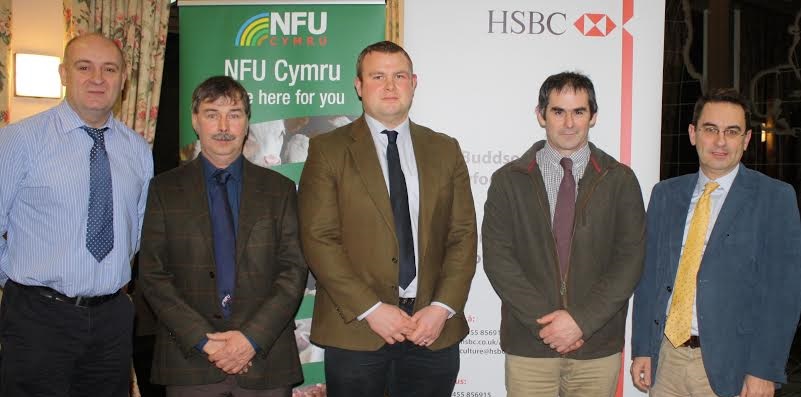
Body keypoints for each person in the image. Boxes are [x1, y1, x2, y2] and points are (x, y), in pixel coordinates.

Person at [297, 40, 477, 397]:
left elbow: (463, 235)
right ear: (359, 86)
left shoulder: (445, 149)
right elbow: (318, 238)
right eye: (378, 76)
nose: (390, 86)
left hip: (433, 331)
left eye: (399, 76)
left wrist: (441, 308)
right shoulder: (327, 150)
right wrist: (372, 309)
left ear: (414, 82)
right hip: (357, 331)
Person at [0, 33, 153, 396]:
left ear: (124, 78)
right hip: (37, 318)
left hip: (113, 319)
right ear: (63, 73)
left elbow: (139, 231)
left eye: (109, 69)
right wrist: (19, 282)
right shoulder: (18, 140)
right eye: (84, 67)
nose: (97, 79)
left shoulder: (138, 149)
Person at [139, 76, 307, 396]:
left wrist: (250, 339)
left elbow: (293, 271)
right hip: (189, 360)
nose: (223, 126)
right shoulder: (163, 189)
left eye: (234, 114)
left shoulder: (280, 190)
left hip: (265, 358)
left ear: (247, 123)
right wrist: (205, 342)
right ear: (195, 121)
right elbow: (153, 274)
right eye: (212, 113)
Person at [482, 71, 646, 397]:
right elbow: (499, 260)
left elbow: (629, 261)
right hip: (530, 345)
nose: (569, 122)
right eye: (558, 111)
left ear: (593, 116)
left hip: (596, 345)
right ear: (541, 115)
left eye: (579, 111)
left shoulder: (620, 180)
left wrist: (580, 321)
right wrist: (548, 326)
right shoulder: (508, 180)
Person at [631, 88, 801, 397]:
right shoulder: (665, 195)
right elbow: (649, 279)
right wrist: (642, 348)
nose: (720, 142)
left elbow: (783, 296)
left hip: (732, 368)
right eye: (711, 130)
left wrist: (763, 370)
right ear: (693, 134)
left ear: (746, 140)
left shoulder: (775, 198)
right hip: (665, 361)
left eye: (731, 132)